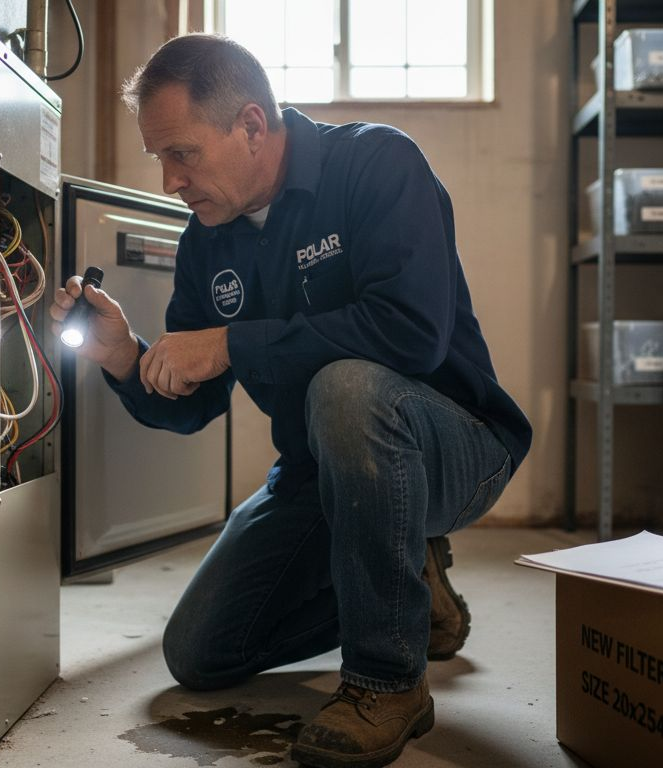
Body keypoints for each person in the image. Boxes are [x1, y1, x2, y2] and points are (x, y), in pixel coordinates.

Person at [50, 34, 531, 768]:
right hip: (318, 473)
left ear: (249, 123)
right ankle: (409, 578)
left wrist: (232, 343)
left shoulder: (376, 164)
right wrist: (126, 359)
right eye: (159, 159)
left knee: (349, 388)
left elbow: (411, 336)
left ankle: (386, 682)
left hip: (456, 448)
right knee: (200, 652)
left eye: (182, 152)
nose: (171, 179)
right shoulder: (207, 241)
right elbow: (191, 406)